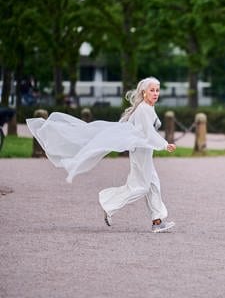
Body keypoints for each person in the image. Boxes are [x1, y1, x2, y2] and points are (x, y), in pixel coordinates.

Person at [27, 77, 176, 233]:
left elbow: (142, 131)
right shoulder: (144, 109)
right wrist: (165, 144)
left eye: (157, 90)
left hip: (144, 150)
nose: (155, 93)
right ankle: (109, 203)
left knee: (153, 184)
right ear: (144, 93)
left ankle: (157, 221)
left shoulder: (147, 108)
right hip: (141, 151)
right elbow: (148, 133)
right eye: (152, 90)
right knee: (141, 186)